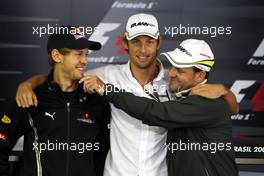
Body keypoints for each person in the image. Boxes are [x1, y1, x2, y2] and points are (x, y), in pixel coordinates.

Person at [15, 14, 238, 176]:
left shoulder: (173, 82)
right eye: (136, 42)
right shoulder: (106, 75)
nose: (143, 50)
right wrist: (28, 84)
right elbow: (64, 73)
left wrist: (226, 93)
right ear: (124, 44)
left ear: (159, 42)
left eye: (149, 41)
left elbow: (163, 111)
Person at [85, 39, 239, 176]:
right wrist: (226, 92)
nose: (170, 73)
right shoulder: (186, 96)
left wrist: (108, 90)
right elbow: (233, 108)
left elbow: (155, 112)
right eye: (172, 66)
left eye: (180, 70)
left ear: (199, 76)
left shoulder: (208, 104)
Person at [0, 26, 110, 176]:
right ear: (57, 56)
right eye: (78, 54)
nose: (85, 61)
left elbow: (103, 153)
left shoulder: (96, 101)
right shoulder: (30, 97)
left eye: (86, 54)